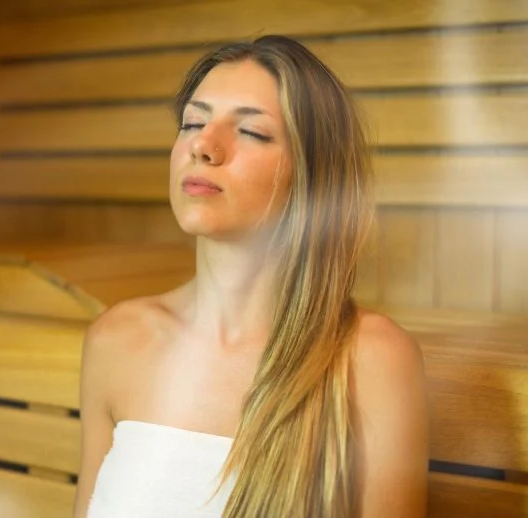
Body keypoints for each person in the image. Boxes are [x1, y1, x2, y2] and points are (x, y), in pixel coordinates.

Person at [73, 35, 429, 518]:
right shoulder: (117, 340)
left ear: (313, 177)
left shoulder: (369, 359)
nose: (203, 144)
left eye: (252, 132)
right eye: (193, 123)